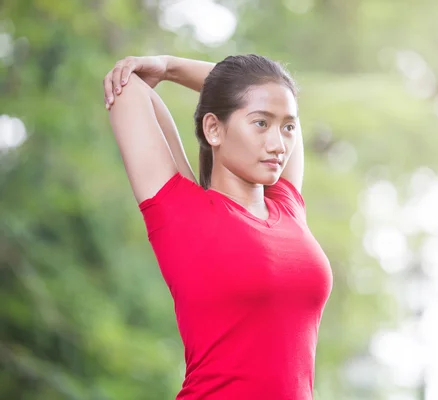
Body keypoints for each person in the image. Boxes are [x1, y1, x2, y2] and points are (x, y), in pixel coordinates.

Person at [102, 54, 333, 399]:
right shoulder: (179, 211)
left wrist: (170, 67)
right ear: (213, 128)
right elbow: (129, 87)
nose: (278, 144)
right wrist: (164, 67)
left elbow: (263, 93)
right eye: (260, 123)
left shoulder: (288, 205)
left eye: (286, 127)